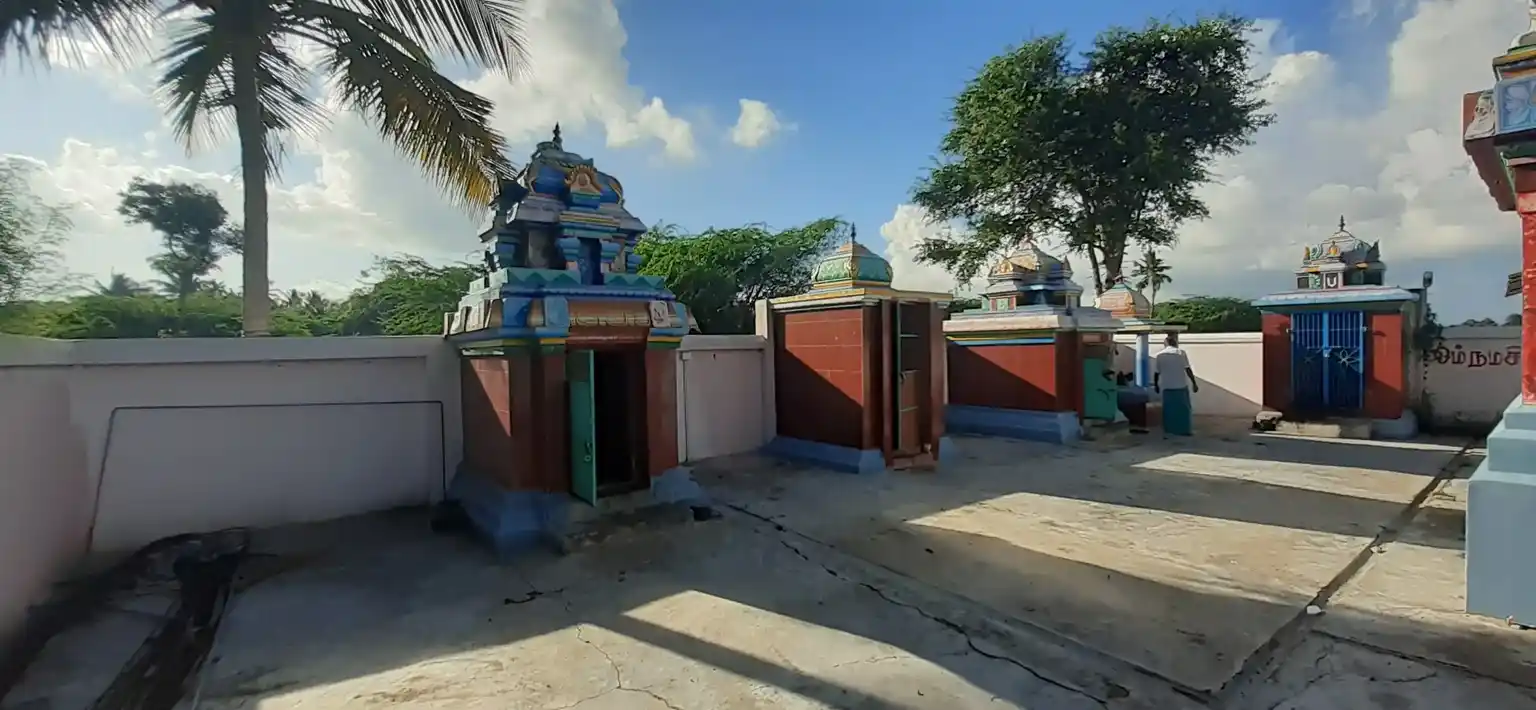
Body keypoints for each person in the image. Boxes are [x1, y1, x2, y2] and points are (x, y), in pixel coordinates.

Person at [1154, 333, 1199, 436]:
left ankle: (1169, 430)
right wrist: (1194, 383)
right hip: (1180, 386)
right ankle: (1184, 430)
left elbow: (1157, 372)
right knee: (1183, 409)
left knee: (1169, 410)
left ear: (1165, 344)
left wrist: (1156, 385)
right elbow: (1187, 369)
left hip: (1167, 386)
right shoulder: (1181, 353)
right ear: (1175, 343)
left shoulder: (1159, 355)